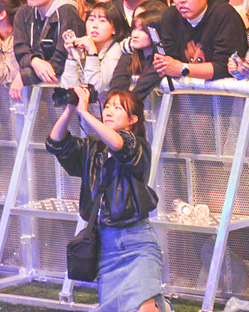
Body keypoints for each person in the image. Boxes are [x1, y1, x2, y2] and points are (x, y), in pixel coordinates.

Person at [47, 84, 163, 312]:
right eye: (107, 106)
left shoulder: (139, 146)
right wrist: (70, 110)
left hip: (137, 240)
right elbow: (56, 143)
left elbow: (120, 145)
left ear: (132, 119)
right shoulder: (92, 148)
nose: (109, 110)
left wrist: (85, 113)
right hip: (106, 243)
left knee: (145, 306)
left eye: (117, 108)